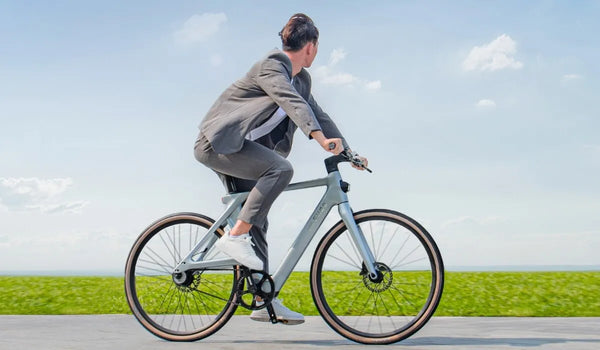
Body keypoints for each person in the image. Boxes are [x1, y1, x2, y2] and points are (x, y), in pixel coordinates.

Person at [193, 13, 368, 325]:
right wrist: (318, 139)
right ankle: (233, 238)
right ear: (311, 47)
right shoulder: (272, 65)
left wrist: (349, 152)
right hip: (218, 145)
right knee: (280, 171)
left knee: (257, 219)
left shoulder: (302, 79)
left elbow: (317, 112)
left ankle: (262, 299)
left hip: (244, 152)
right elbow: (291, 103)